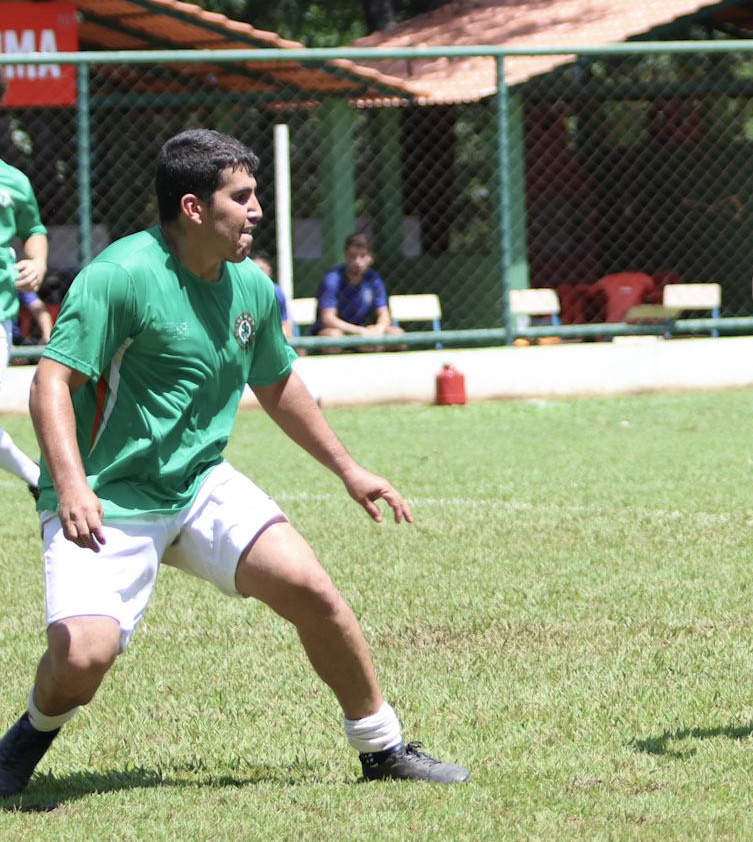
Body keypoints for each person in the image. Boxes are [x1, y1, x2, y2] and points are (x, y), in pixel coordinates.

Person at [0, 129, 467, 795]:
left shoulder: (250, 285)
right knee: (81, 659)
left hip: (197, 483)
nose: (256, 210)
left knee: (312, 590)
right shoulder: (120, 276)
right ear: (193, 208)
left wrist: (349, 468)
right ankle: (27, 737)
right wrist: (71, 485)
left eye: (254, 195)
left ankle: (382, 746)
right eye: (241, 197)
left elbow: (278, 385)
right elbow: (50, 382)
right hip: (106, 495)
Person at [0, 156, 45, 484]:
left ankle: (37, 478)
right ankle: (36, 477)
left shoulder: (12, 180)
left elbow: (33, 229)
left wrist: (38, 262)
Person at [316, 233, 398, 340]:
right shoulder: (333, 279)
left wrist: (379, 329)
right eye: (353, 256)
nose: (357, 262)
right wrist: (359, 331)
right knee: (334, 336)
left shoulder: (374, 279)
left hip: (365, 331)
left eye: (362, 256)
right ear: (345, 256)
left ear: (371, 258)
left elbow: (384, 314)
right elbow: (328, 319)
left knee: (396, 334)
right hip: (338, 331)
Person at [252, 252, 294, 338]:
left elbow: (284, 324)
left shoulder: (276, 292)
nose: (256, 273)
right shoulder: (243, 292)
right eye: (253, 270)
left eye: (260, 269)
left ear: (269, 271)